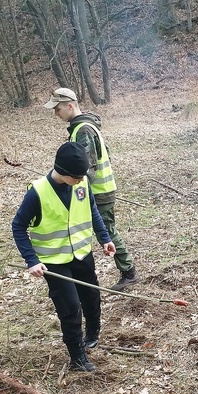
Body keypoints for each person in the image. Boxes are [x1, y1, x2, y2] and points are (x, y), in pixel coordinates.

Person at [12, 142, 116, 371]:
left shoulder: (82, 182)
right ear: (63, 172)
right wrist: (32, 260)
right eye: (76, 177)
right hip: (53, 261)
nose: (81, 180)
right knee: (70, 306)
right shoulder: (37, 193)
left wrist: (104, 238)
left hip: (81, 253)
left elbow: (92, 210)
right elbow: (18, 227)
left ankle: (92, 334)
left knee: (91, 295)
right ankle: (77, 356)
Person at [44, 87, 138, 291]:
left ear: (70, 105)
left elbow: (87, 167)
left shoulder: (83, 130)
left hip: (98, 191)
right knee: (103, 230)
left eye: (58, 109)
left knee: (106, 231)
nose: (56, 113)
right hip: (98, 189)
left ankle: (129, 272)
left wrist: (72, 184)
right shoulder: (84, 126)